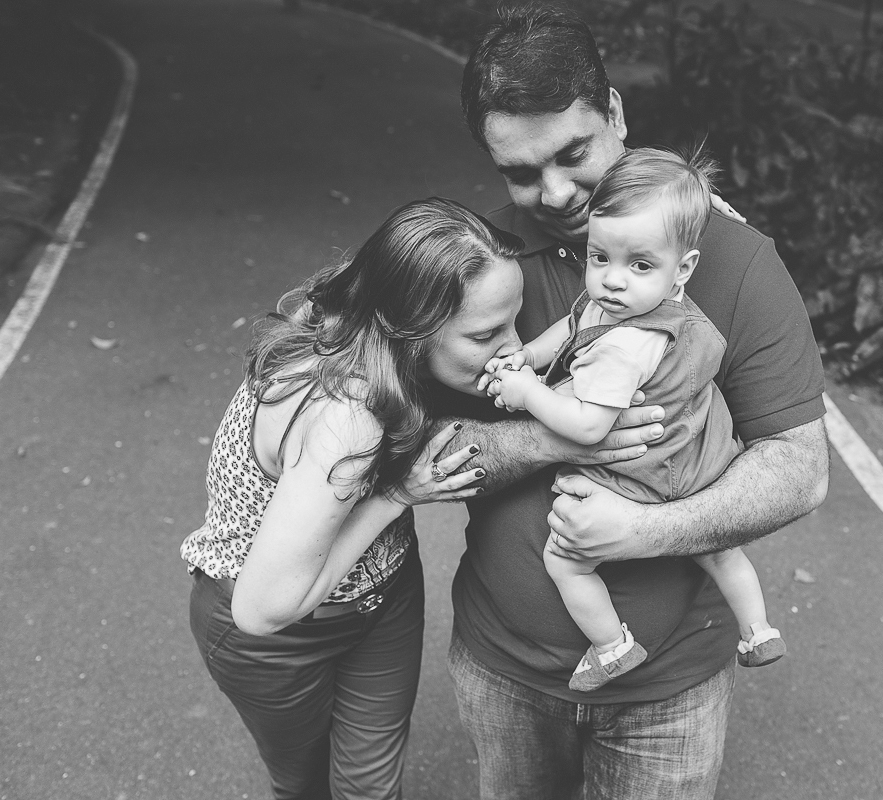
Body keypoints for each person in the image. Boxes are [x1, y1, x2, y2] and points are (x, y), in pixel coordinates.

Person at [423, 5, 831, 798]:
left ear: (614, 112)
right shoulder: (475, 259)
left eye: (573, 153)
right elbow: (408, 447)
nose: (554, 191)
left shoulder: (735, 262)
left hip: (670, 694)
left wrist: (646, 531)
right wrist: (558, 444)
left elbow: (798, 468)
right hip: (501, 669)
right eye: (519, 171)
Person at [181, 197, 526, 800]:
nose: (514, 346)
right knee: (302, 784)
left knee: (370, 787)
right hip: (273, 633)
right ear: (410, 327)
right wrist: (396, 494)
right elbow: (262, 611)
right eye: (486, 334)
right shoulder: (348, 417)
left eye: (514, 321)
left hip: (383, 598)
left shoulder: (364, 329)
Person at [480, 146, 786, 692]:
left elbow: (587, 427)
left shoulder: (627, 343)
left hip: (650, 470)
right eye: (600, 258)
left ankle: (611, 646)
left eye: (639, 265)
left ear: (683, 269)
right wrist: (529, 355)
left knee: (565, 559)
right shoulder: (635, 301)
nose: (613, 281)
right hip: (700, 453)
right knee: (719, 551)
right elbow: (572, 328)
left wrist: (527, 391)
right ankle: (758, 630)